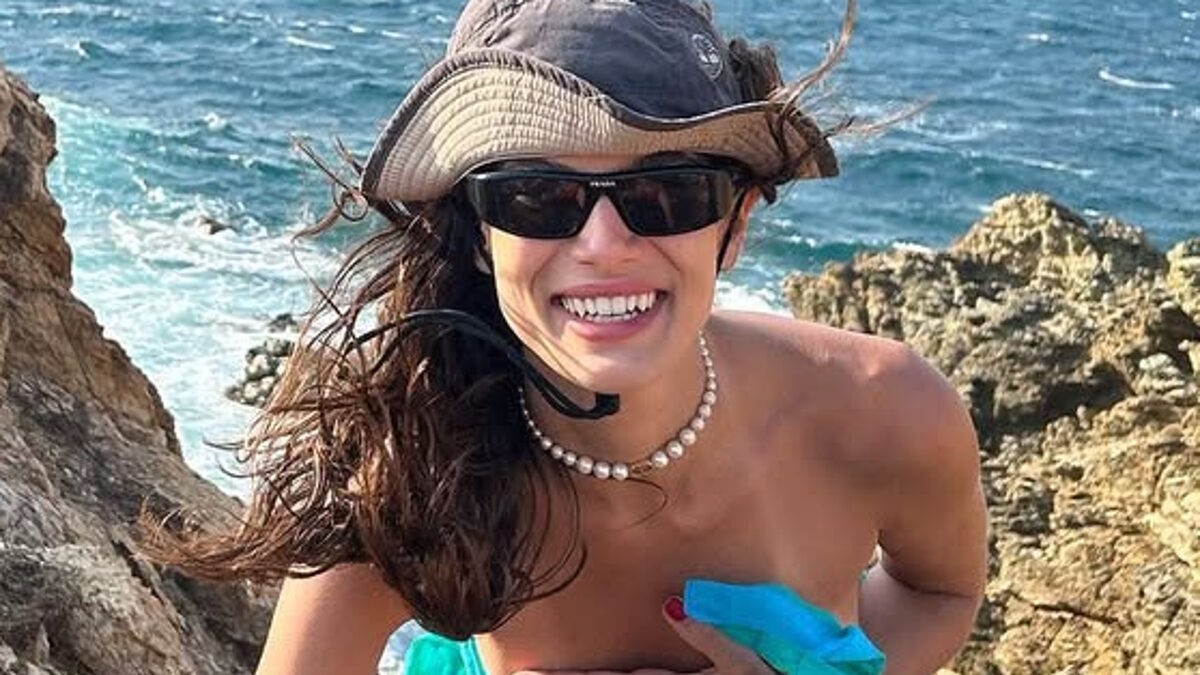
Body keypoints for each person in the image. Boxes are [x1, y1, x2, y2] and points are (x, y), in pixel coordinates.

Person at [142, 1, 988, 674]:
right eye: (538, 196)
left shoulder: (884, 412)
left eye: (665, 192)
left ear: (732, 224)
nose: (603, 244)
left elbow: (943, 592)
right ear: (480, 233)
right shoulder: (406, 476)